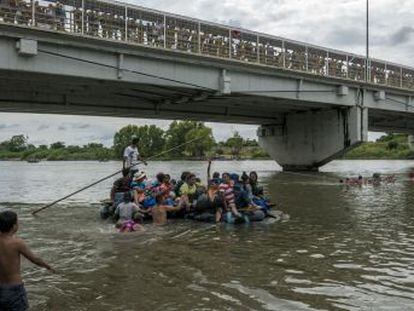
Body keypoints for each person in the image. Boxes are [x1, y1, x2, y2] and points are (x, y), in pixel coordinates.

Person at [0, 210, 55, 310]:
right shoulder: (16, 243)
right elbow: (34, 259)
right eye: (17, 222)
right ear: (13, 226)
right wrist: (47, 266)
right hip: (14, 288)